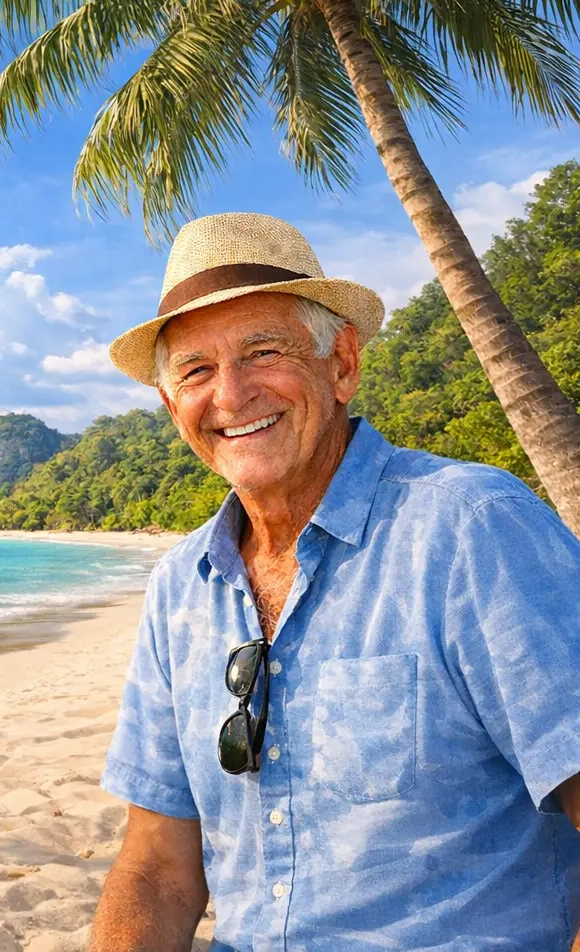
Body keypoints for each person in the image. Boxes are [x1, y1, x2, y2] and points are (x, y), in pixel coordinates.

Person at [89, 212, 580, 951]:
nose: (230, 394)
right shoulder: (180, 588)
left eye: (264, 351)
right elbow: (158, 867)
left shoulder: (470, 528)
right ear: (171, 407)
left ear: (342, 363)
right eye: (195, 370)